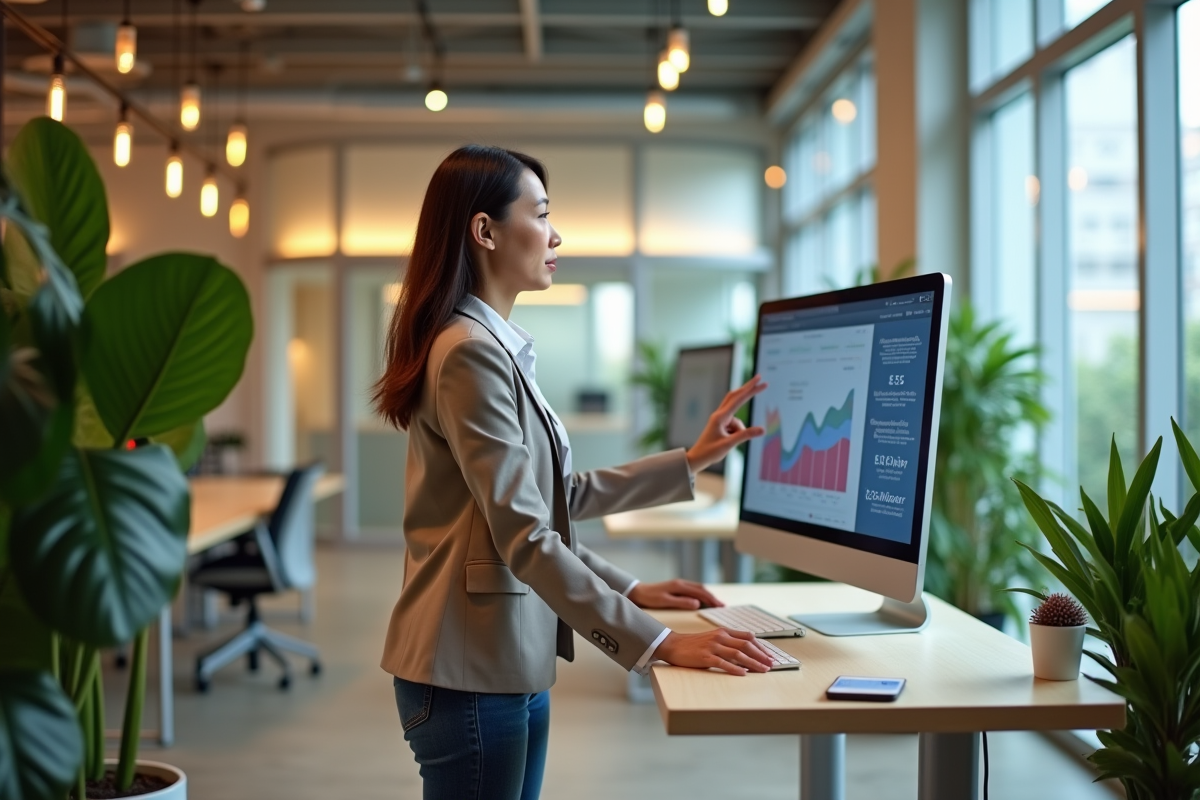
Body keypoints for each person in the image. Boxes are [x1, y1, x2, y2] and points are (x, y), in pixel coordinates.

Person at [374, 145, 773, 800]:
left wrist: (684, 476)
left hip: (501, 664)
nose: (557, 235)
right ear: (485, 231)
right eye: (542, 213)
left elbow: (558, 497)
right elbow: (527, 536)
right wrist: (657, 643)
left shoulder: (491, 347)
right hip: (468, 673)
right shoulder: (470, 354)